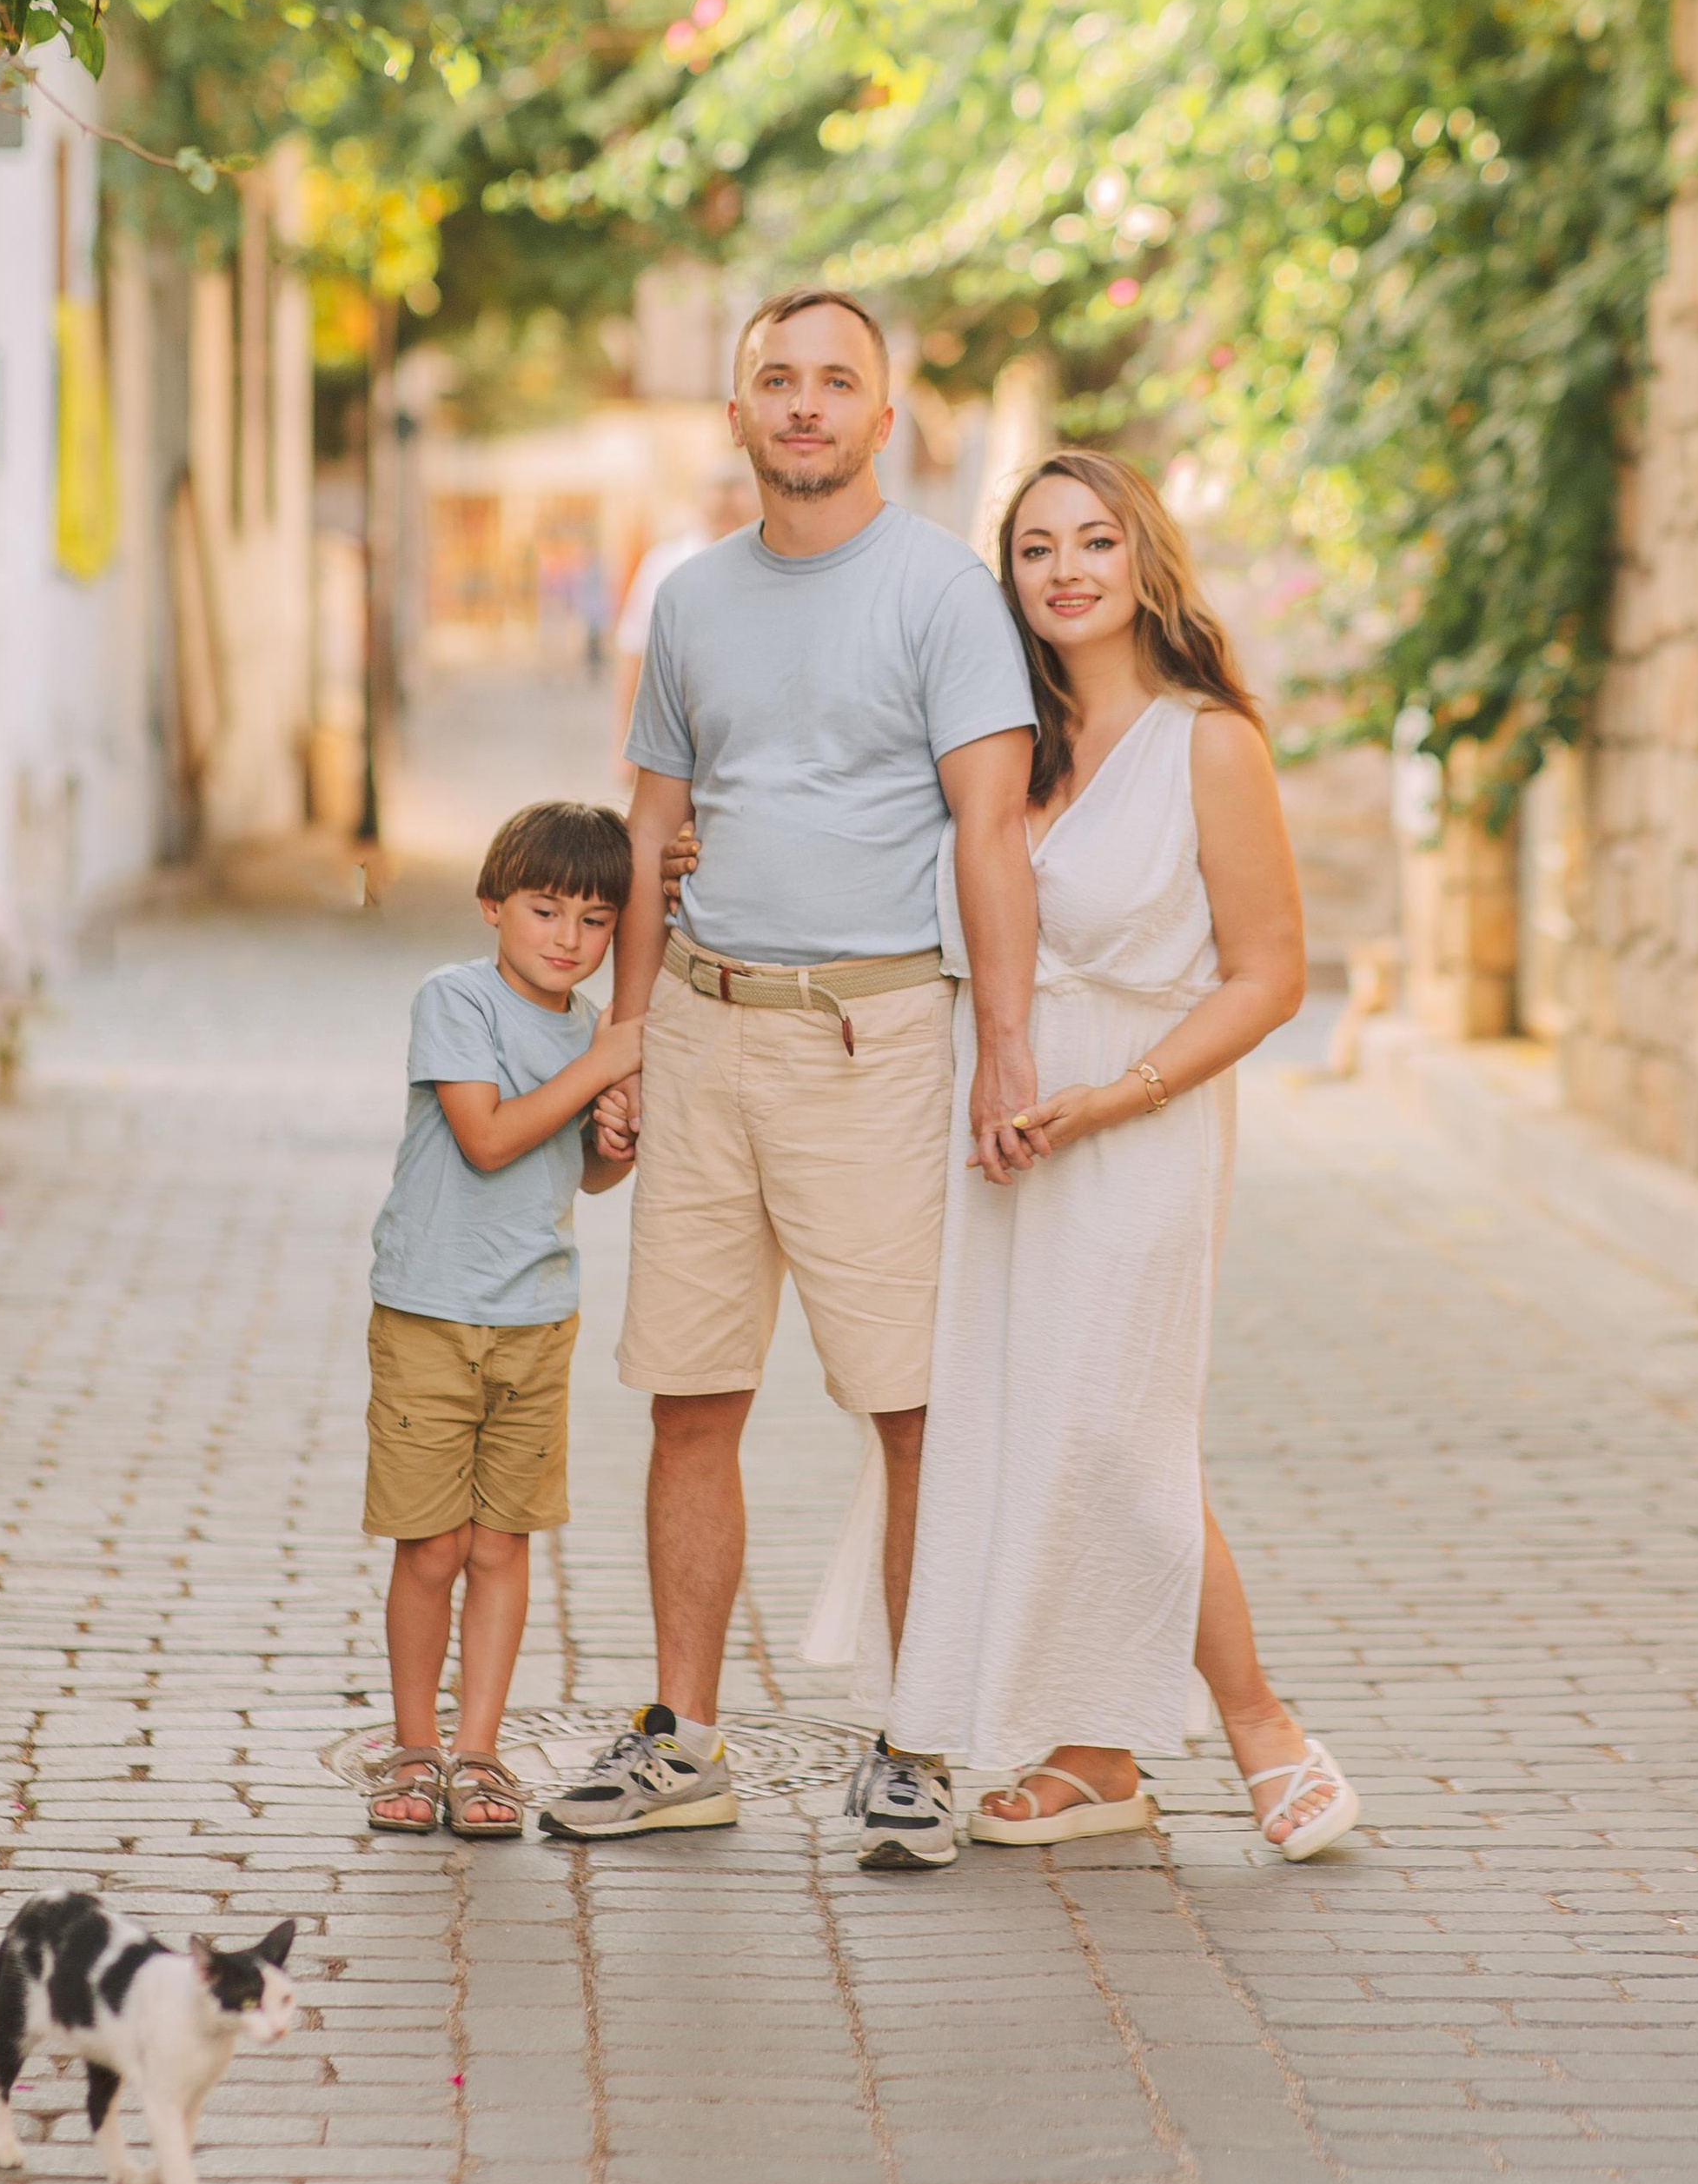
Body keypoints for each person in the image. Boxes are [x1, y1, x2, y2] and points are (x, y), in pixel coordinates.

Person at [536, 287, 1039, 1855]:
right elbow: (649, 821)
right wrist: (622, 1036)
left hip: (869, 1038)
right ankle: (683, 1741)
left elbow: (991, 832)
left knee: (908, 1407)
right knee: (690, 1398)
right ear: (740, 414)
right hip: (699, 1023)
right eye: (778, 382)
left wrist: (1000, 1045)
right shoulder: (691, 600)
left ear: (884, 418)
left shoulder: (946, 594)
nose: (806, 406)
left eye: (837, 384)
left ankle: (919, 1743)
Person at [885, 448, 1360, 1863]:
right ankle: (1095, 1759)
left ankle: (1266, 1728)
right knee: (1036, 1424)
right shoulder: (994, 743)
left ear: (1145, 559)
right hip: (1001, 1123)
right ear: (1009, 576)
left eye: (1096, 540)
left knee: (1120, 1432)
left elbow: (1271, 976)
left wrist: (1116, 1096)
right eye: (1036, 549)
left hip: (1139, 1123)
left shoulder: (1208, 739)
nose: (1067, 569)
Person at [361, 800, 641, 1842]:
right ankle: (413, 1745)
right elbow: (483, 1139)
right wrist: (603, 1068)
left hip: (535, 1315)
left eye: (595, 920)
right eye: (544, 910)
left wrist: (621, 1129)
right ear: (493, 907)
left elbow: (595, 1174)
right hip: (431, 1311)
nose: (567, 939)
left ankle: (478, 1751)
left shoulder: (589, 1032)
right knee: (430, 1545)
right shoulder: (456, 1000)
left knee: (500, 1545)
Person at [611, 473, 758, 758]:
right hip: (679, 731)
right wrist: (624, 742)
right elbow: (634, 651)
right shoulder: (665, 564)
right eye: (718, 513)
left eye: (735, 514)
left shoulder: (770, 563)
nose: (726, 521)